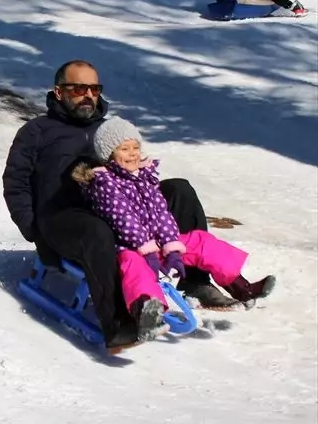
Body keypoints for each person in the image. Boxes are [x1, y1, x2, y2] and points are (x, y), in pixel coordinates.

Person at [2, 60, 241, 351]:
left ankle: (195, 281)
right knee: (95, 228)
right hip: (63, 217)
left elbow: (138, 175)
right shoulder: (37, 132)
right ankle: (117, 323)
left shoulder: (109, 130)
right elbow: (16, 184)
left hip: (118, 212)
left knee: (179, 189)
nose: (88, 95)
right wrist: (35, 232)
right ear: (59, 91)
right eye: (78, 88)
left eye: (94, 88)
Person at [73, 117, 276, 345]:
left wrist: (171, 246)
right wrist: (146, 249)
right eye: (124, 149)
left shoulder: (144, 178)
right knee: (135, 268)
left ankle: (241, 286)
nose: (132, 154)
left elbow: (162, 215)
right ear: (109, 154)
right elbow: (123, 220)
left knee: (200, 241)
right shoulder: (105, 183)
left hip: (154, 243)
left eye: (135, 148)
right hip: (127, 247)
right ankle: (147, 313)